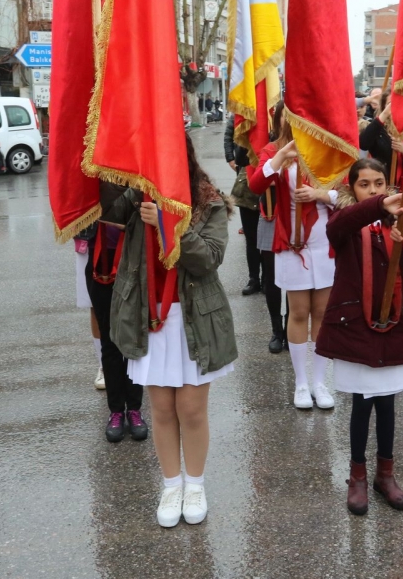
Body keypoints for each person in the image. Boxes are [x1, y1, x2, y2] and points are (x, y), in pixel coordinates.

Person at [103, 136, 237, 528]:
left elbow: (209, 260)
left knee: (191, 410)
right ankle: (170, 484)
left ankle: (194, 484)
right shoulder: (135, 194)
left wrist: (170, 224)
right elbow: (105, 209)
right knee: (161, 410)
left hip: (195, 318)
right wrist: (132, 177)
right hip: (149, 319)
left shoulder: (208, 200)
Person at [317, 158, 403, 515]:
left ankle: (386, 474)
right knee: (362, 404)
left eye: (379, 183)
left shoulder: (399, 220)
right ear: (352, 188)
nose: (374, 189)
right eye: (364, 184)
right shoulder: (345, 221)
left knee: (388, 404)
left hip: (394, 329)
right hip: (358, 330)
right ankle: (357, 478)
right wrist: (377, 207)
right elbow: (340, 228)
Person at [248, 114, 337, 410]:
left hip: (324, 240)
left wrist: (320, 194)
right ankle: (301, 383)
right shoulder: (274, 150)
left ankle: (320, 381)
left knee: (322, 311)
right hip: (291, 242)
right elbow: (256, 185)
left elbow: (351, 191)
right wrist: (281, 158)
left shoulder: (330, 148)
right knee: (298, 312)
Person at [84, 213, 148, 443]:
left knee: (133, 338)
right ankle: (116, 412)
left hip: (133, 259)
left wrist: (128, 222)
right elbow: (75, 224)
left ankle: (134, 409)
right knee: (109, 341)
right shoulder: (92, 181)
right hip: (100, 263)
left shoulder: (135, 179)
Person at [250, 102, 288, 354]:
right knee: (273, 280)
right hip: (273, 217)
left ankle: (293, 327)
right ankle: (278, 331)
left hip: (302, 223)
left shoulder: (312, 149)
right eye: (286, 115)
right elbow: (258, 183)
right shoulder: (271, 149)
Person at [224, 117, 263, 296]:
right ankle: (254, 278)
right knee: (251, 237)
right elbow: (240, 156)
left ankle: (270, 279)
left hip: (270, 184)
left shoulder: (272, 114)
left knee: (270, 239)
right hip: (247, 185)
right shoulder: (242, 114)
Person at [74, 226, 106, 390]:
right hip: (91, 231)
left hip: (125, 227)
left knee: (134, 299)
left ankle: (136, 363)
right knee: (96, 304)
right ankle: (104, 366)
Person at [359, 97, 403, 187]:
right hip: (382, 183)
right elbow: (363, 143)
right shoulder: (377, 128)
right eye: (390, 103)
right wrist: (385, 114)